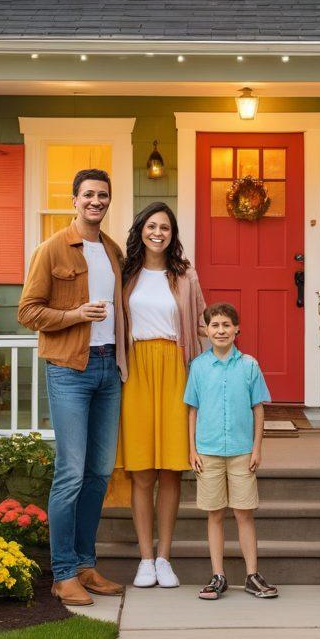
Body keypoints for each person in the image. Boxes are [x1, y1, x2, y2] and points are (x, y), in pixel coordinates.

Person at [17, 167, 126, 607]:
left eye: (103, 195)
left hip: (107, 368)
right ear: (74, 200)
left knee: (99, 473)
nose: (95, 201)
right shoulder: (51, 248)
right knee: (70, 472)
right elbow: (28, 311)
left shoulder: (113, 250)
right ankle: (63, 573)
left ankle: (84, 564)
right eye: (88, 195)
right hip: (69, 368)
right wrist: (76, 316)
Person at [118, 202, 206, 589]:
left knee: (171, 468)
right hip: (135, 367)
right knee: (141, 470)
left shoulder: (185, 275)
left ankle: (165, 556)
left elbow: (202, 325)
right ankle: (145, 559)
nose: (158, 233)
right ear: (141, 230)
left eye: (165, 228)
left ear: (173, 235)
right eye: (151, 226)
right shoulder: (126, 273)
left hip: (175, 366)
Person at [184, 302, 278, 600]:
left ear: (237, 329)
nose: (221, 330)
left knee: (243, 513)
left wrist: (256, 448)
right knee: (214, 514)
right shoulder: (199, 366)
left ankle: (252, 576)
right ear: (207, 331)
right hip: (208, 451)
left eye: (226, 325)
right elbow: (192, 410)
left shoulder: (249, 365)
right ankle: (218, 576)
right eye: (215, 325)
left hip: (241, 451)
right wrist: (192, 449)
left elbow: (258, 408)